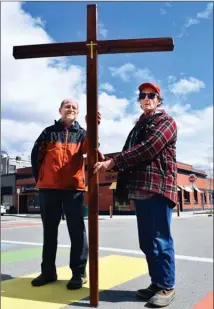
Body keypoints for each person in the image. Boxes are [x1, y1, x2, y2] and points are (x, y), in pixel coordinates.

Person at [94, 82, 177, 307]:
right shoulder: (138, 126)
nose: (147, 98)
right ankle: (157, 283)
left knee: (160, 240)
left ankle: (167, 286)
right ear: (139, 100)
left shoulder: (166, 122)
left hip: (159, 188)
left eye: (152, 95)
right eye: (143, 95)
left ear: (159, 100)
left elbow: (149, 148)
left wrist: (113, 161)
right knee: (147, 242)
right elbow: (130, 152)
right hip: (141, 190)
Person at [31, 99, 102, 290]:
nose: (70, 109)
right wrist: (41, 178)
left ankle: (78, 274)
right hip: (49, 189)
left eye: (74, 107)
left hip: (73, 189)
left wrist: (93, 127)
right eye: (67, 106)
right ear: (60, 110)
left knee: (77, 231)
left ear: (78, 113)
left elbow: (92, 149)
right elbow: (35, 155)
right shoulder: (48, 132)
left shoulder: (82, 134)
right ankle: (48, 272)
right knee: (49, 232)